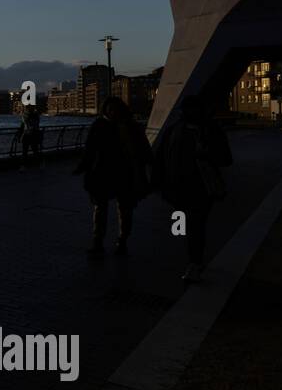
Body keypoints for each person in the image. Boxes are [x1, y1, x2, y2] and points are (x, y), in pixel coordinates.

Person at [154, 96, 233, 284]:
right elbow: (161, 158)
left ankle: (194, 262)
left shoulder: (187, 130)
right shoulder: (180, 130)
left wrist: (206, 154)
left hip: (200, 187)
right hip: (182, 187)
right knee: (190, 224)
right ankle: (192, 257)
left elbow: (225, 158)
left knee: (195, 224)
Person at [73, 97, 151, 256]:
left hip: (117, 173)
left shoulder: (103, 126)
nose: (112, 112)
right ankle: (106, 242)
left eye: (114, 109)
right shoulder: (128, 127)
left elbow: (90, 150)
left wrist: (83, 167)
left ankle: (115, 241)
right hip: (109, 174)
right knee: (113, 209)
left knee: (115, 209)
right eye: (110, 109)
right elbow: (90, 150)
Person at [19, 104, 43, 169]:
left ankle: (23, 166)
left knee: (25, 152)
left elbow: (22, 126)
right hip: (33, 135)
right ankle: (38, 164)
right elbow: (36, 125)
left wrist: (19, 136)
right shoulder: (36, 115)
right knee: (35, 151)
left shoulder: (25, 115)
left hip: (27, 135)